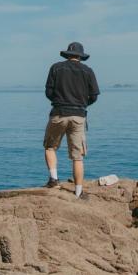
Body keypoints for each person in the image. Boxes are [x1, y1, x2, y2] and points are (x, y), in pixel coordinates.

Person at [43, 41, 99, 199]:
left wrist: (60, 100)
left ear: (68, 54)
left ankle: (53, 180)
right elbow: (94, 96)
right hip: (78, 116)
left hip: (59, 113)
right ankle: (79, 192)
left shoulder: (56, 67)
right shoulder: (88, 71)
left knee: (50, 147)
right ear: (81, 56)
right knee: (77, 156)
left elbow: (48, 92)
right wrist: (81, 104)